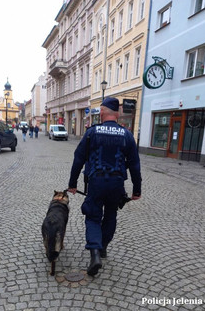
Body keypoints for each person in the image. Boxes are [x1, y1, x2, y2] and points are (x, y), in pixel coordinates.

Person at [68, 97, 142, 276]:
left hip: (96, 181)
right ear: (117, 114)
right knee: (110, 215)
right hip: (116, 183)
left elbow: (78, 159)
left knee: (93, 216)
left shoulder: (92, 133)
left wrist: (72, 184)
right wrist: (136, 190)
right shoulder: (126, 135)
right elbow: (134, 164)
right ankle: (103, 247)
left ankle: (95, 254)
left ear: (102, 112)